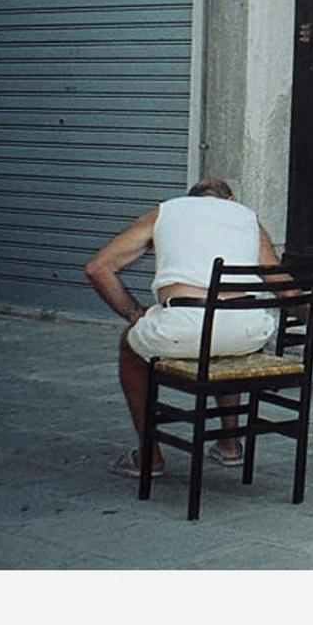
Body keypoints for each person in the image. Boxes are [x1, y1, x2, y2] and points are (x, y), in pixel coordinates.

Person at [83, 177, 282, 479]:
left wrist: (135, 314)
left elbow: (97, 268)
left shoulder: (167, 212)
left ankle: (150, 456)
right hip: (247, 331)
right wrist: (310, 310)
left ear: (191, 199)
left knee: (131, 347)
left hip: (185, 329)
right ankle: (230, 445)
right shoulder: (246, 217)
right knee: (223, 348)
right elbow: (278, 278)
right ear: (228, 201)